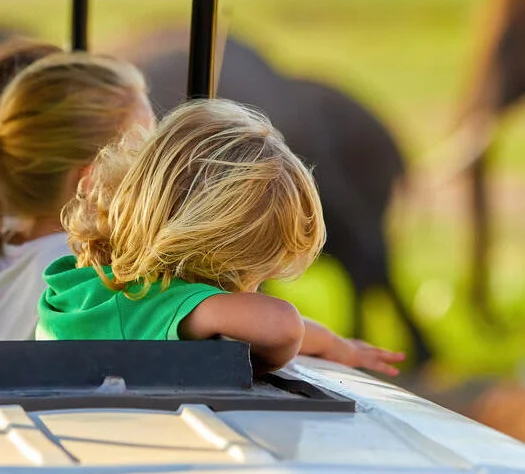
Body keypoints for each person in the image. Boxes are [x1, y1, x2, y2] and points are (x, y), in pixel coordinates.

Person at [38, 98, 404, 376]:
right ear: (220, 265)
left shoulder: (88, 284)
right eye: (258, 277)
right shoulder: (153, 304)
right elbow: (281, 325)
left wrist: (335, 345)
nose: (256, 292)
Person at [0, 51, 154, 340]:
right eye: (144, 152)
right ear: (93, 182)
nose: (155, 171)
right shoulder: (90, 278)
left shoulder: (11, 241)